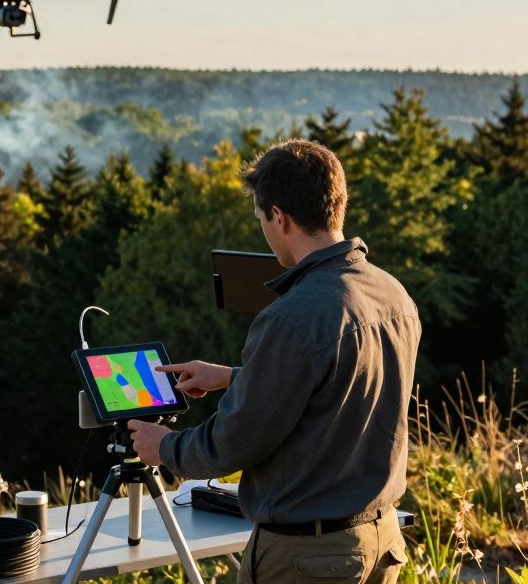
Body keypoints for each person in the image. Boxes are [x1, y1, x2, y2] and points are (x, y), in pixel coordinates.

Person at [127, 139, 420, 583]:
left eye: (261, 218)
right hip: (380, 541)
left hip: (309, 559)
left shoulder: (291, 317)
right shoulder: (392, 293)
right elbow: (342, 385)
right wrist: (235, 377)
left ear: (279, 217)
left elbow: (233, 443)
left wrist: (164, 447)